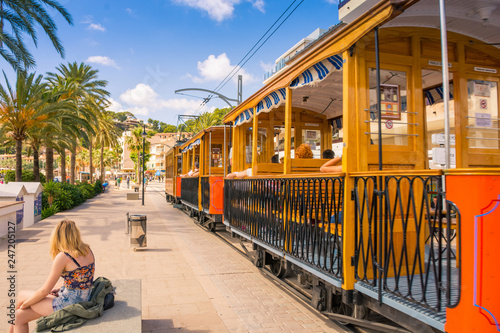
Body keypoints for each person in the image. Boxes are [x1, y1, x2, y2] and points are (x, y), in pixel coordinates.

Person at [9, 220, 95, 333]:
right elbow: (81, 278)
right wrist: (62, 287)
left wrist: (26, 304)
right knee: (18, 316)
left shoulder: (64, 256)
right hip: (83, 299)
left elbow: (44, 291)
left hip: (68, 304)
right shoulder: (87, 250)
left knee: (21, 297)